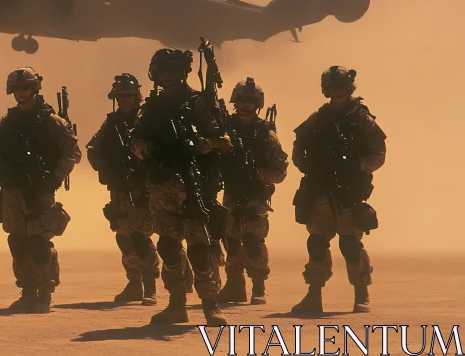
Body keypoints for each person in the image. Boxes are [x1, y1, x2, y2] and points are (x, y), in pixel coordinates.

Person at [132, 49, 232, 325]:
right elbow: (136, 142)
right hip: (162, 184)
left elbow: (225, 141)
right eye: (163, 70)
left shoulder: (198, 104)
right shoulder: (151, 108)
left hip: (194, 182)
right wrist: (148, 150)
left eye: (174, 70)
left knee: (199, 248)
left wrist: (199, 145)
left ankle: (210, 305)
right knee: (167, 246)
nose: (168, 75)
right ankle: (177, 304)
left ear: (184, 71)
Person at [291, 66, 386, 314]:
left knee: (350, 244)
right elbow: (298, 149)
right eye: (333, 87)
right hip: (321, 190)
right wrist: (308, 165)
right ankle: (313, 295)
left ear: (349, 87)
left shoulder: (362, 119)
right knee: (317, 242)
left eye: (340, 87)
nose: (337, 91)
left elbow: (378, 154)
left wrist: (357, 165)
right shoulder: (318, 117)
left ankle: (361, 294)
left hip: (348, 192)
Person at [0, 67, 81, 313]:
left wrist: (54, 178)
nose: (21, 92)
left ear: (34, 89)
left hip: (40, 189)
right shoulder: (7, 122)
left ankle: (44, 292)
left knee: (38, 243)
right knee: (18, 242)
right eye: (17, 88)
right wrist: (0, 168)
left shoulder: (51, 121)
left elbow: (72, 152)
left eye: (25, 88)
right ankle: (27, 292)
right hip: (12, 190)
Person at [86, 74, 159, 306]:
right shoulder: (111, 124)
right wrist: (102, 166)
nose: (125, 99)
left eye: (129, 95)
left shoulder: (147, 120)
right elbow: (92, 148)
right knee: (123, 237)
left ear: (137, 96)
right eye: (121, 95)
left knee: (140, 237)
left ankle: (150, 286)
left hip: (141, 188)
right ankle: (134, 283)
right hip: (118, 188)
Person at [216, 78, 288, 305]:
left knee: (252, 240)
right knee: (230, 240)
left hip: (255, 194)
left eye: (250, 101)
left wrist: (255, 173)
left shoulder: (265, 134)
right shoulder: (225, 128)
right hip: (231, 192)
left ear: (257, 104)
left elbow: (279, 172)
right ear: (235, 101)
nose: (246, 104)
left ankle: (258, 288)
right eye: (242, 100)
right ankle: (234, 286)